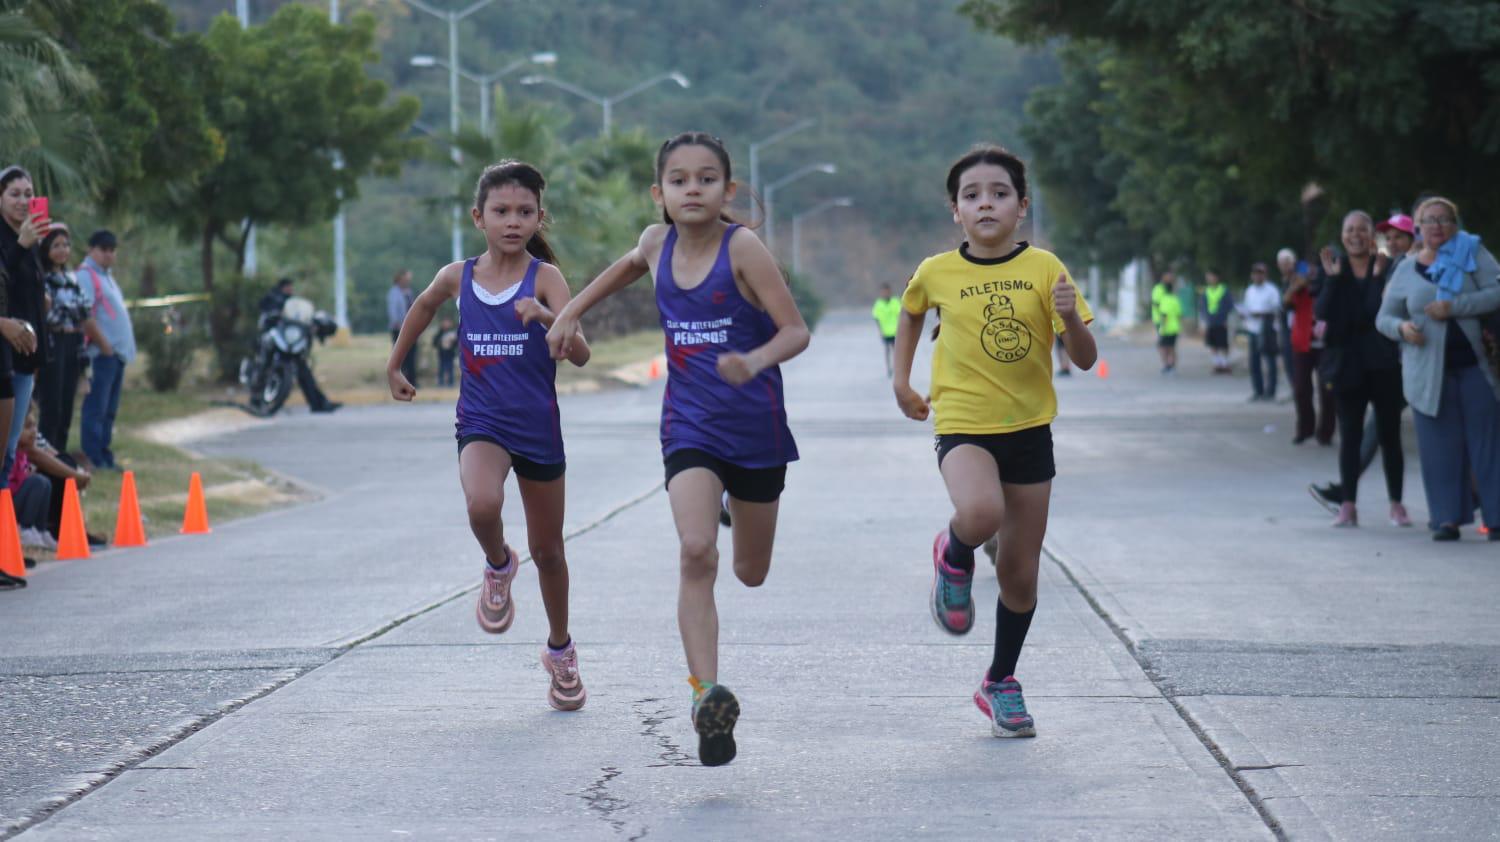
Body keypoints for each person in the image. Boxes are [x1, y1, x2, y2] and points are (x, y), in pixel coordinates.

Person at [548, 133, 810, 766]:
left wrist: (755, 359)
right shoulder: (654, 242)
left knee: (751, 571)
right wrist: (570, 313)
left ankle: (732, 502)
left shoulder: (742, 248)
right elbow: (622, 270)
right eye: (680, 180)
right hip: (689, 426)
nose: (693, 190)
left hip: (756, 430)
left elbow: (796, 331)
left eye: (707, 179)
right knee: (696, 552)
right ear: (659, 192)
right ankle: (705, 694)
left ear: (727, 190)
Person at [892, 145, 1096, 739]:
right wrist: (901, 382)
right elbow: (909, 314)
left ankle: (999, 681)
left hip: (1030, 432)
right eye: (972, 195)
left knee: (1020, 576)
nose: (986, 202)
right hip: (963, 425)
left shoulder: (1046, 269)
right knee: (981, 511)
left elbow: (1084, 359)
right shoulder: (936, 271)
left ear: (1022, 206)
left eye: (1000, 193)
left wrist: (1072, 318)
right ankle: (952, 553)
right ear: (955, 210)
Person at [389, 161, 593, 710]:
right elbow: (425, 305)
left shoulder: (545, 279)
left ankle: (560, 651)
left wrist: (548, 317)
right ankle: (499, 564)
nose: (513, 221)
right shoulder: (460, 276)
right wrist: (395, 364)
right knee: (482, 505)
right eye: (501, 211)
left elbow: (580, 354)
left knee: (549, 552)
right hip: (481, 422)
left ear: (538, 218)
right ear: (479, 217)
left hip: (538, 428)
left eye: (525, 212)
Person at [1377, 197, 1500, 541]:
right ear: (1417, 228)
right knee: (1438, 448)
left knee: (1487, 445)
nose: (1436, 226)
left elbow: (1497, 292)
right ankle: (1446, 519)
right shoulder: (1404, 268)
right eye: (1429, 220)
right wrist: (1401, 330)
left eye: (1444, 220)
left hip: (1476, 366)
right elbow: (1384, 317)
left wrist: (1455, 307)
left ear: (1455, 224)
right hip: (1426, 372)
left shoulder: (1474, 254)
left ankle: (1496, 517)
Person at [1310, 215, 1418, 506]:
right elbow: (1322, 313)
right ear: (1342, 235)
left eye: (1362, 229)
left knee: (1389, 437)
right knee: (1351, 438)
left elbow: (1375, 314)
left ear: (1371, 235)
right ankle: (1348, 505)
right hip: (1346, 367)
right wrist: (1332, 281)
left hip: (1383, 364)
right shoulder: (1332, 268)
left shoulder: (1387, 268)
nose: (1355, 235)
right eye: (1349, 229)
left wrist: (1374, 280)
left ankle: (1396, 505)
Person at [0, 166, 50, 489]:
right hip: (5, 356)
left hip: (25, 362)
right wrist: (21, 244)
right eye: (14, 194)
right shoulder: (13, 241)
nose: (22, 201)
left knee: (9, 449)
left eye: (28, 194)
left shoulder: (31, 239)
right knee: (4, 451)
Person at [36, 226, 101, 453]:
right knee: (50, 407)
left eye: (66, 245)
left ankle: (61, 458)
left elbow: (84, 311)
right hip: (53, 343)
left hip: (73, 344)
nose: (62, 250)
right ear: (46, 250)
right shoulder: (41, 279)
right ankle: (46, 460)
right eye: (56, 245)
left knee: (66, 406)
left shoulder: (72, 279)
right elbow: (48, 315)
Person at [76, 229, 134, 471]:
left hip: (115, 354)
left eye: (112, 250)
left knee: (108, 409)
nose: (108, 254)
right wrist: (104, 345)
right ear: (92, 249)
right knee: (96, 408)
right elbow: (83, 314)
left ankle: (104, 453)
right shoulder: (86, 275)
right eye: (103, 249)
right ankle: (93, 456)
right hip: (101, 355)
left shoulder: (106, 276)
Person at [257, 278, 341, 413]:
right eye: (288, 287)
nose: (290, 289)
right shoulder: (273, 298)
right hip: (276, 338)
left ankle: (318, 402)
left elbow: (300, 315)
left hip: (291, 340)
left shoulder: (293, 302)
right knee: (264, 363)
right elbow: (264, 310)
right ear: (282, 287)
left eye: (291, 287)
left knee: (304, 371)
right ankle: (256, 397)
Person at [1282, 249, 1334, 445]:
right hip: (1302, 343)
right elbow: (1285, 303)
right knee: (1301, 388)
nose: (1312, 275)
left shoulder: (1330, 286)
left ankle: (1325, 432)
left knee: (1327, 390)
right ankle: (1305, 429)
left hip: (1327, 344)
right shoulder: (1300, 288)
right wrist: (1295, 287)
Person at [1241, 262, 1281, 401]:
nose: (1257, 276)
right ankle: (1258, 391)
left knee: (1270, 361)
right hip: (1252, 328)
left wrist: (1262, 314)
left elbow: (1277, 308)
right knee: (1254, 362)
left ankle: (1271, 391)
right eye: (1255, 273)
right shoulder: (1249, 290)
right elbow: (1246, 307)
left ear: (1265, 275)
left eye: (1260, 273)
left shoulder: (1272, 290)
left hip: (1267, 328)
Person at [1199, 270, 1234, 373]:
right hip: (1211, 321)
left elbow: (1229, 306)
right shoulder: (1206, 291)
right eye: (1208, 277)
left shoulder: (1224, 290)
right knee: (1213, 344)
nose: (1210, 279)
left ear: (1217, 277)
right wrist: (1204, 320)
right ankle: (1217, 364)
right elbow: (1203, 307)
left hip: (1222, 321)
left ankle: (1225, 363)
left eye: (1212, 276)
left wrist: (1226, 319)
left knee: (1223, 344)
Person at [388, 269, 418, 388]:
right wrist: (398, 323)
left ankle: (412, 380)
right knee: (401, 355)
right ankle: (400, 380)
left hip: (411, 328)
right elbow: (393, 310)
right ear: (401, 278)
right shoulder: (394, 292)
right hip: (399, 328)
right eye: (407, 278)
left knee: (412, 355)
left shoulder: (409, 292)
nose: (408, 280)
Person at [871, 282, 901, 376]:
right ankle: (889, 368)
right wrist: (880, 331)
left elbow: (900, 315)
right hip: (885, 331)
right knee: (887, 349)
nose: (885, 294)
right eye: (884, 292)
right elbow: (876, 318)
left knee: (895, 350)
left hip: (895, 331)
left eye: (887, 292)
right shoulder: (878, 304)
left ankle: (896, 367)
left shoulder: (895, 302)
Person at [1156, 273, 1181, 374]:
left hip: (1166, 328)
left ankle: (1167, 365)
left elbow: (1164, 315)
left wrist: (1163, 327)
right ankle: (1173, 366)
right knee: (1172, 348)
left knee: (1162, 348)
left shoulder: (1165, 300)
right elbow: (1179, 314)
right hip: (1175, 327)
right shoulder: (1176, 299)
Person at [433, 316, 459, 387]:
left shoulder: (453, 332)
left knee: (450, 368)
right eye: (445, 322)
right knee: (441, 368)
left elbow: (457, 343)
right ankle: (440, 383)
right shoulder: (439, 332)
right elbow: (434, 342)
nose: (446, 324)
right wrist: (441, 342)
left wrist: (453, 341)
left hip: (450, 354)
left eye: (448, 322)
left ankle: (451, 383)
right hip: (442, 354)